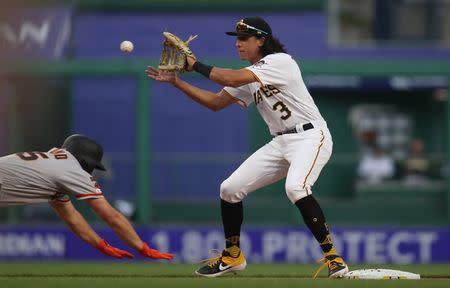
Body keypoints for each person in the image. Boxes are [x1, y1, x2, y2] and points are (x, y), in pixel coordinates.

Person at [146, 17, 348, 278]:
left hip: (310, 136)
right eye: (237, 39)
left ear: (261, 40)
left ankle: (333, 258)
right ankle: (232, 256)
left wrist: (195, 65)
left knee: (296, 187)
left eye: (244, 39)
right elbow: (215, 103)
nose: (238, 44)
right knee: (229, 189)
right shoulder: (251, 76)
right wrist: (177, 82)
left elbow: (229, 78)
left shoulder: (280, 62)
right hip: (280, 141)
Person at [0, 134, 174, 261]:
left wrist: (100, 244)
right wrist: (142, 247)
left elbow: (72, 218)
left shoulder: (53, 165)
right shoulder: (72, 169)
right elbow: (111, 216)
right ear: (86, 160)